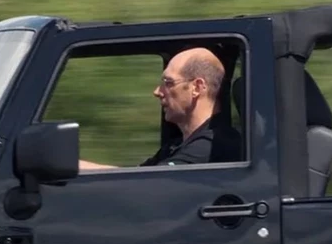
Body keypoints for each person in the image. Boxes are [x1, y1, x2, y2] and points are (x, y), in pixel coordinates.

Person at [80, 46, 225, 172]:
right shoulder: (176, 145)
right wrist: (77, 167)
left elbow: (147, 185)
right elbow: (137, 177)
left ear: (197, 87)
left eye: (168, 83)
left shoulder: (211, 147)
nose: (157, 91)